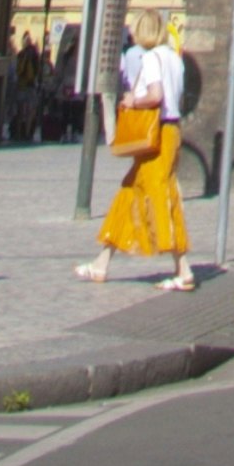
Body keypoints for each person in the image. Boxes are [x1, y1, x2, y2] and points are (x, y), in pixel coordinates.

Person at [82, 19, 196, 291]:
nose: (132, 34)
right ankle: (102, 262)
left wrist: (134, 100)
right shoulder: (174, 59)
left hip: (156, 134)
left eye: (135, 29)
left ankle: (183, 268)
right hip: (170, 132)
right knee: (129, 192)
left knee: (160, 196)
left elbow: (156, 95)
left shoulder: (153, 58)